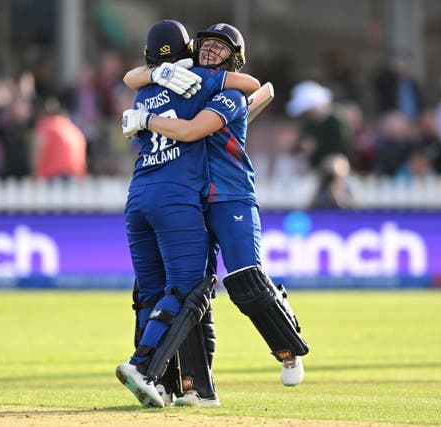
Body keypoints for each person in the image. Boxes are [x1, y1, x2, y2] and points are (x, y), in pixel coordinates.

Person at [123, 22, 309, 405]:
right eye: (206, 44)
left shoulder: (227, 93)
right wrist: (159, 71)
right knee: (196, 291)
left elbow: (254, 91)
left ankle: (289, 350)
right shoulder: (186, 80)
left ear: (234, 58)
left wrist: (146, 119)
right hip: (193, 201)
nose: (210, 51)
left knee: (244, 281)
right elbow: (133, 77)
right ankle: (198, 387)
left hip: (230, 196)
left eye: (221, 48)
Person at [115, 19, 260, 409]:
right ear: (189, 49)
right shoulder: (198, 79)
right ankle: (143, 365)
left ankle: (163, 385)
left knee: (150, 293)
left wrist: (155, 73)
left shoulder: (143, 90)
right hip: (176, 198)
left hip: (138, 197)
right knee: (188, 288)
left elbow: (130, 77)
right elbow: (254, 87)